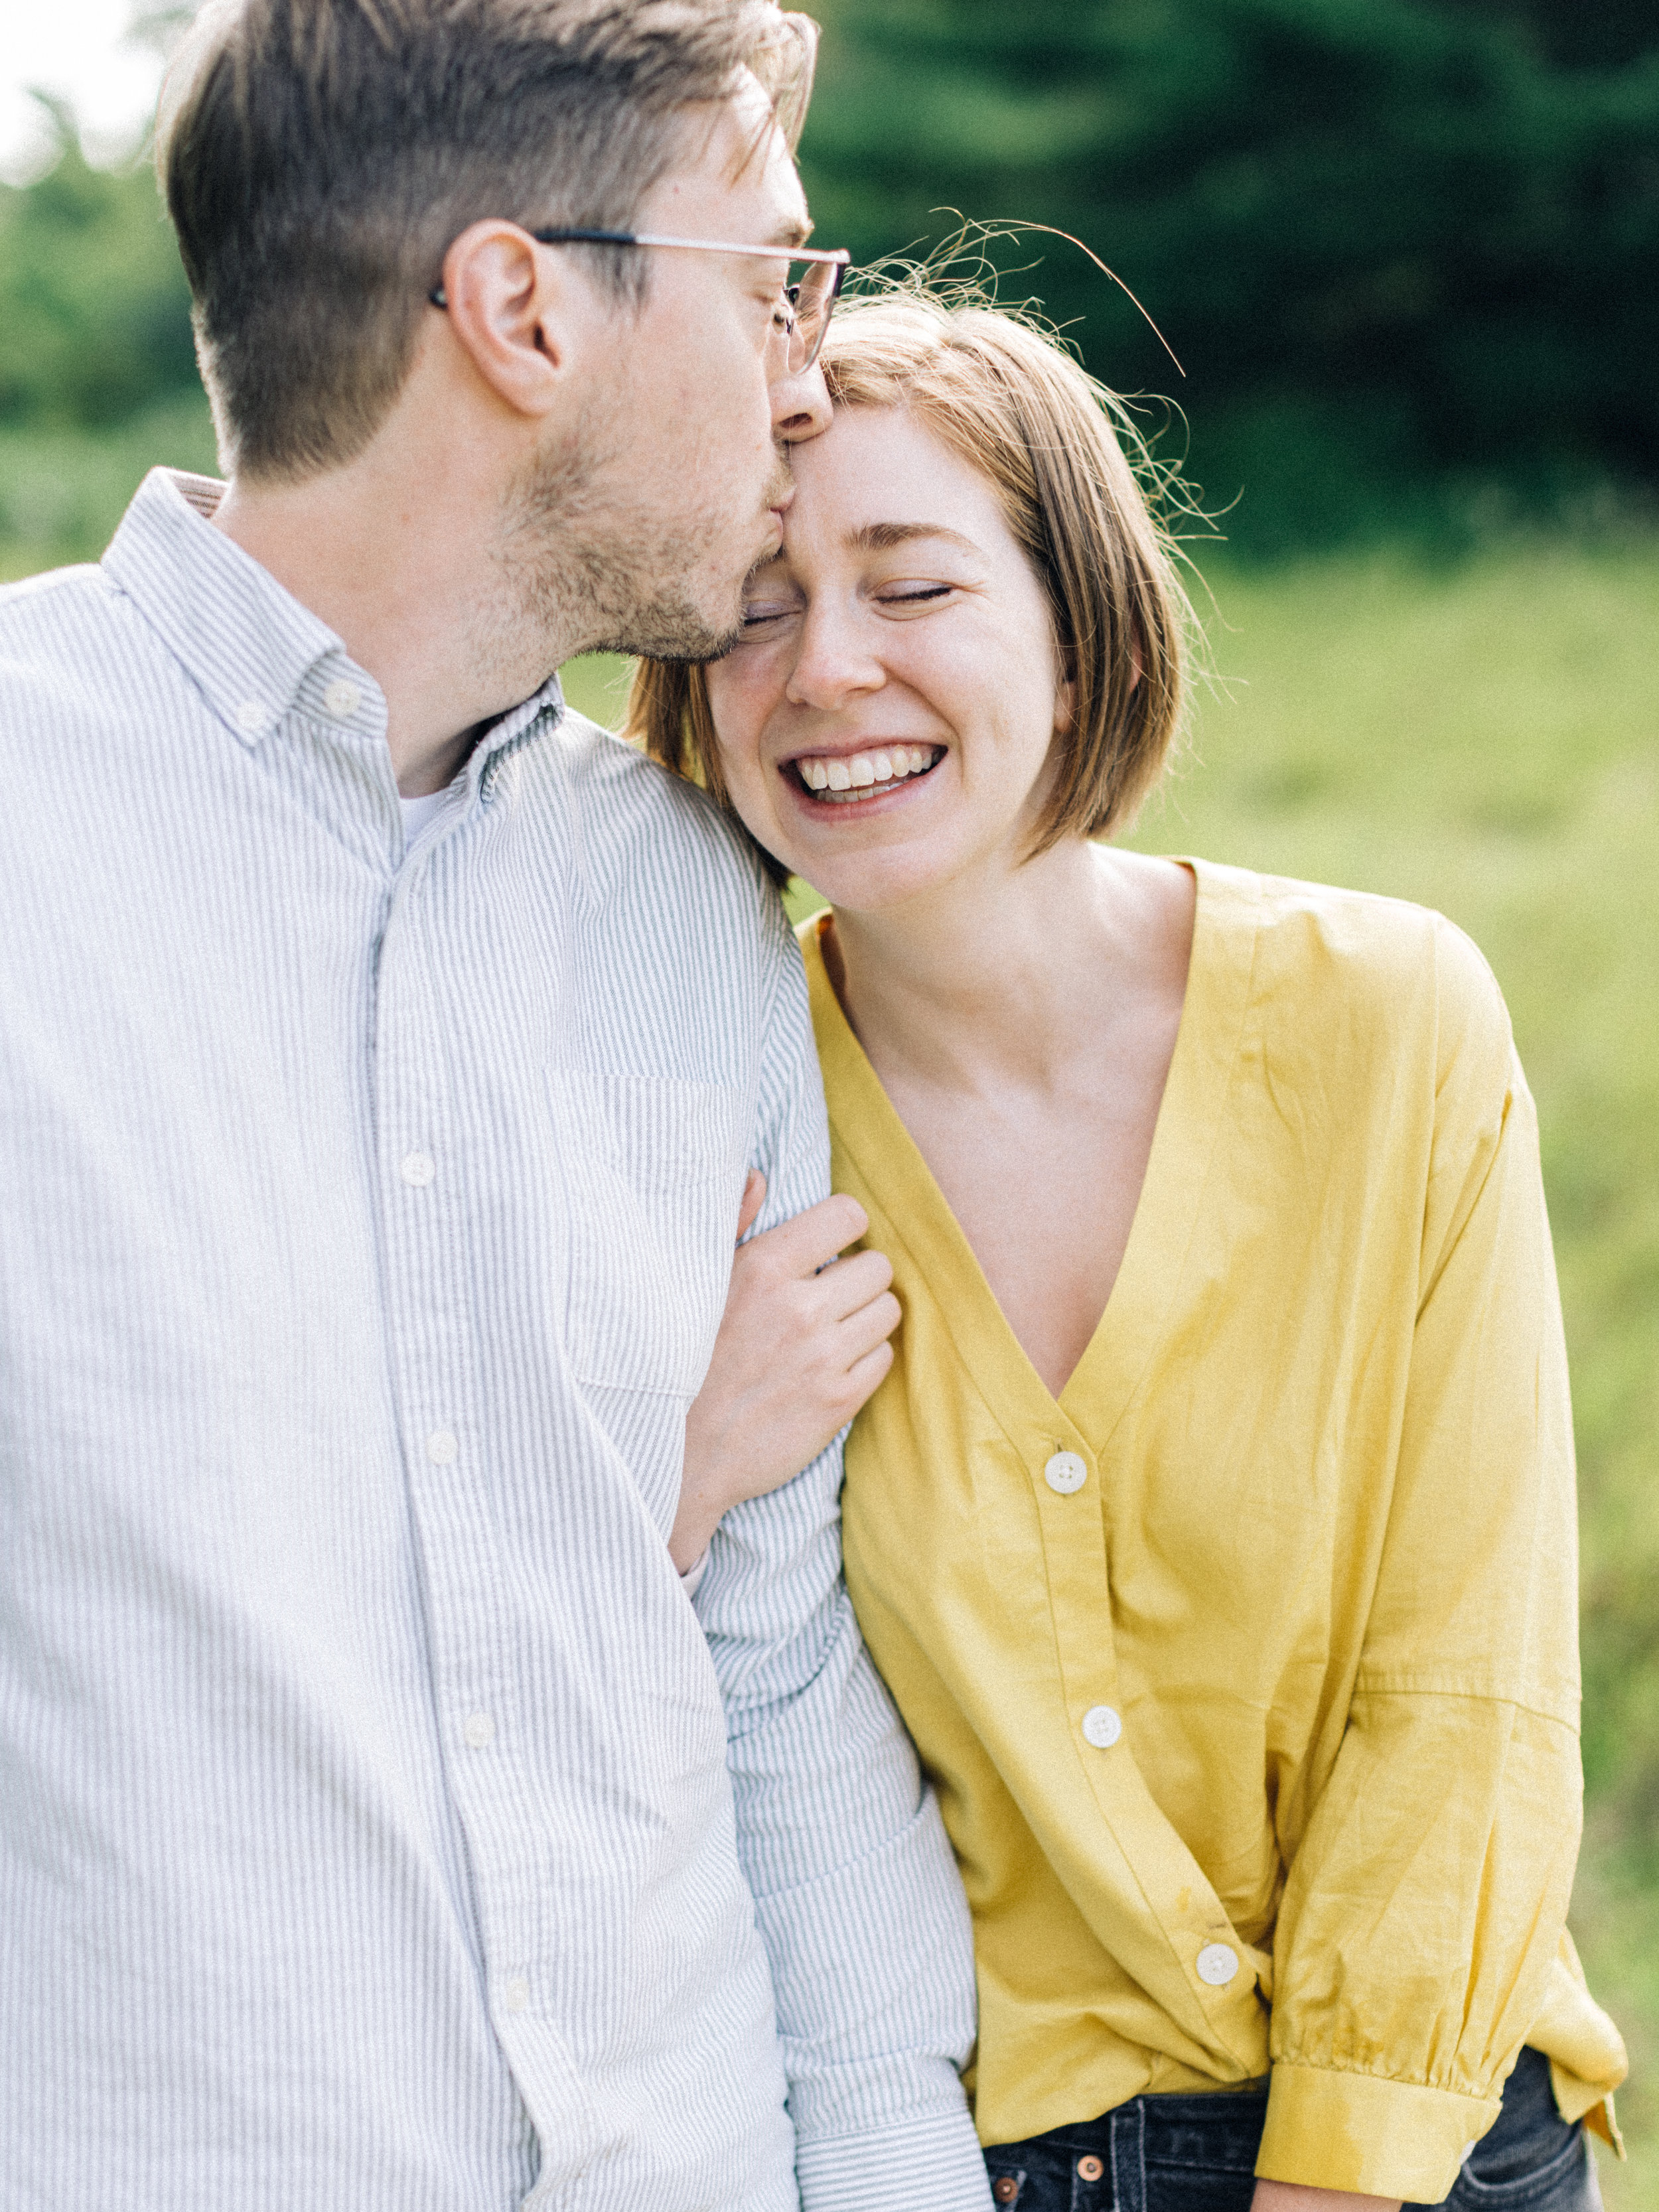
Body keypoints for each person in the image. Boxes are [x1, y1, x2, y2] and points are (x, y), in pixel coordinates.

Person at [0, 9, 997, 2206]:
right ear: (524, 307)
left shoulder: (693, 903)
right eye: (774, 285)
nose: (809, 372)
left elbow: (772, 1661)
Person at [632, 289, 1630, 2212]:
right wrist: (680, 1475)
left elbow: (1461, 1684)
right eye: (752, 605)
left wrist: (1331, 2177)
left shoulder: (1387, 1019)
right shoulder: (696, 1128)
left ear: (1077, 646)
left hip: (1428, 2144)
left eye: (910, 588)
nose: (824, 667)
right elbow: (575, 1701)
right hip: (976, 2169)